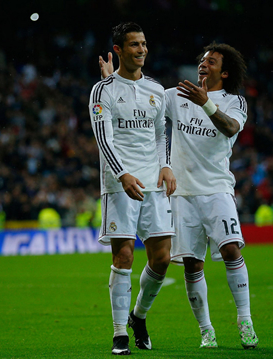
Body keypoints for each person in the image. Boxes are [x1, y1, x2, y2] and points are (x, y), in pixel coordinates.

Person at [102, 42, 259, 349]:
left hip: (217, 189)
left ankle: (245, 320)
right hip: (181, 194)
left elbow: (230, 128)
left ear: (224, 73)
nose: (203, 64)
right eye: (202, 60)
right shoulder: (173, 96)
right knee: (192, 264)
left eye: (211, 61)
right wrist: (114, 82)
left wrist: (207, 104)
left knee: (231, 251)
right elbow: (142, 103)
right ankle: (206, 330)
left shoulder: (234, 101)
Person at [90, 22, 176, 355]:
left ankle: (138, 316)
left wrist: (166, 164)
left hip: (153, 182)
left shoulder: (156, 89)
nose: (141, 49)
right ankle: (118, 335)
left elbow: (159, 135)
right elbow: (104, 139)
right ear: (119, 50)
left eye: (143, 44)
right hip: (119, 184)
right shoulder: (103, 91)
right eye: (134, 45)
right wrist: (123, 174)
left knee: (163, 258)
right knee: (124, 254)